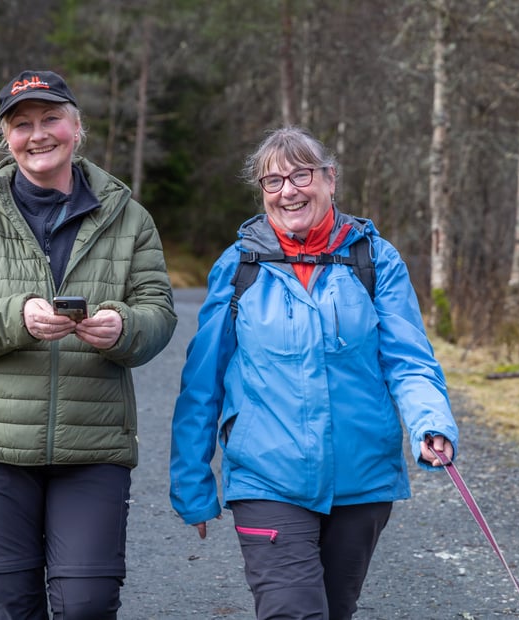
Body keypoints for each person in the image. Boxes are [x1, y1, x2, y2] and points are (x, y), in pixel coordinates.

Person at [169, 126, 458, 619]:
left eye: (300, 175)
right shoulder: (240, 266)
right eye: (273, 181)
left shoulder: (374, 260)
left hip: (361, 477)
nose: (288, 191)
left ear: (329, 179)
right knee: (293, 612)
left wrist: (431, 423)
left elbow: (409, 359)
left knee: (334, 609)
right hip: (267, 477)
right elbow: (202, 382)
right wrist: (192, 482)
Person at [0, 69, 177, 619]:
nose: (38, 134)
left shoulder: (129, 217)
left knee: (87, 603)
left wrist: (124, 327)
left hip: (93, 444)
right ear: (5, 138)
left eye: (51, 119)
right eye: (22, 124)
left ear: (77, 128)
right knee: (10, 604)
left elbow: (159, 311)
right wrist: (17, 315)